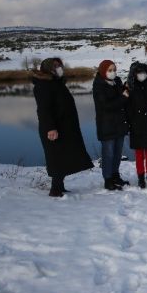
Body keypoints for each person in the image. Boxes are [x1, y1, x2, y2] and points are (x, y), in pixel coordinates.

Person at [32, 58, 93, 197]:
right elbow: (44, 110)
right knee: (57, 158)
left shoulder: (57, 83)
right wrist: (50, 128)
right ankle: (55, 190)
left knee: (64, 156)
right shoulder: (43, 85)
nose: (59, 68)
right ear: (48, 68)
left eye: (60, 65)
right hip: (53, 129)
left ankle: (60, 186)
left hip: (64, 127)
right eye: (55, 66)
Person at [93, 60, 130, 191]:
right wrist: (123, 97)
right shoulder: (99, 85)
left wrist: (126, 89)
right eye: (109, 70)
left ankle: (115, 175)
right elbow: (106, 106)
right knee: (108, 153)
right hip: (106, 125)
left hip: (119, 124)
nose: (113, 72)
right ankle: (108, 179)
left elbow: (122, 97)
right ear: (103, 71)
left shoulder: (117, 82)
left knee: (118, 153)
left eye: (114, 69)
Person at [126, 61, 147, 188]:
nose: (142, 75)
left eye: (144, 72)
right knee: (139, 154)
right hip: (137, 125)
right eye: (139, 72)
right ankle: (140, 177)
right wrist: (130, 123)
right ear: (134, 74)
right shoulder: (130, 88)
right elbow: (128, 108)